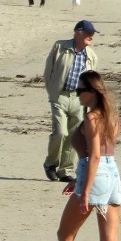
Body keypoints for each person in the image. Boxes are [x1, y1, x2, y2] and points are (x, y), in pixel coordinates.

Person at [40, 70, 121, 241]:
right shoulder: (111, 117)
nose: (77, 95)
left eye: (80, 91)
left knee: (65, 235)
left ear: (92, 92)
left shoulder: (92, 119)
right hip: (111, 176)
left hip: (94, 176)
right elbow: (104, 158)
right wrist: (78, 180)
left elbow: (94, 156)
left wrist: (84, 190)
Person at [43, 20, 99, 183]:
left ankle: (65, 169)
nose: (91, 36)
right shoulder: (60, 47)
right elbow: (48, 72)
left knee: (74, 136)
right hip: (60, 95)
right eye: (88, 33)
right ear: (77, 33)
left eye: (92, 33)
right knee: (60, 132)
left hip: (79, 100)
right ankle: (51, 164)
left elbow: (91, 81)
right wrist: (52, 92)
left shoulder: (91, 56)